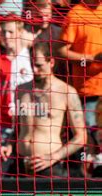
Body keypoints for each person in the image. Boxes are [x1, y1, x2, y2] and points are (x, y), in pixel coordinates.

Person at [15, 41, 86, 177]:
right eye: (32, 64)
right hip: (20, 162)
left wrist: (54, 156)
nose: (34, 70)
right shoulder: (21, 90)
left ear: (51, 62)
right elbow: (18, 127)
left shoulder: (66, 92)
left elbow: (81, 137)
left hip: (48, 165)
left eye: (39, 65)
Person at [0, 15, 33, 176]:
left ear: (20, 32)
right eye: (3, 32)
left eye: (11, 32)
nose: (6, 36)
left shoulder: (32, 59)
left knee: (26, 176)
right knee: (2, 175)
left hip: (27, 128)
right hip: (2, 127)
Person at [57, 0, 102, 129]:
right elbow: (61, 51)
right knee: (92, 140)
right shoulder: (75, 14)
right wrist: (91, 58)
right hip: (89, 93)